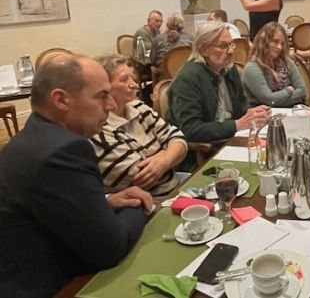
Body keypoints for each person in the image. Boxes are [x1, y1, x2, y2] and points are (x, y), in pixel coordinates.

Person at [0, 54, 153, 297]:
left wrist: (106, 202)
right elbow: (110, 249)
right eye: (101, 95)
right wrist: (139, 205)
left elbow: (53, 209)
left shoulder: (36, 135)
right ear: (61, 99)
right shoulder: (63, 150)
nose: (111, 105)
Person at [91, 54, 187, 198]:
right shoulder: (98, 129)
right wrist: (168, 152)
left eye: (133, 78)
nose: (134, 84)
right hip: (148, 202)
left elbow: (178, 138)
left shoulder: (138, 107)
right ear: (104, 87)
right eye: (124, 79)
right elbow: (142, 176)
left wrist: (165, 159)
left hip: (177, 186)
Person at [166, 22, 270, 148]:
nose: (231, 51)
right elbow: (191, 129)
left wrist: (253, 113)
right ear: (204, 50)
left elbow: (241, 107)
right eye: (223, 46)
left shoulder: (230, 69)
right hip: (205, 149)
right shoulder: (188, 78)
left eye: (231, 44)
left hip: (231, 138)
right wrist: (237, 125)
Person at [242, 22, 306, 108]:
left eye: (282, 44)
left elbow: (302, 90)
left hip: (290, 111)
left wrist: (277, 101)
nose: (279, 47)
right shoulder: (252, 68)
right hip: (262, 113)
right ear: (264, 42)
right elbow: (269, 100)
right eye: (275, 42)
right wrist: (289, 90)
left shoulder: (288, 63)